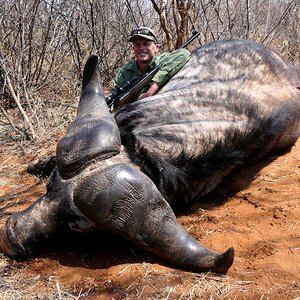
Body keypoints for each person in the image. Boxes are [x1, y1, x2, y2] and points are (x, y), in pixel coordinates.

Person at [111, 27, 191, 102]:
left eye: (146, 44)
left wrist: (156, 83)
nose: (141, 48)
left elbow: (184, 53)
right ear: (133, 49)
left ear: (156, 48)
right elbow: (114, 99)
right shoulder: (124, 72)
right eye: (137, 45)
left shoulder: (164, 60)